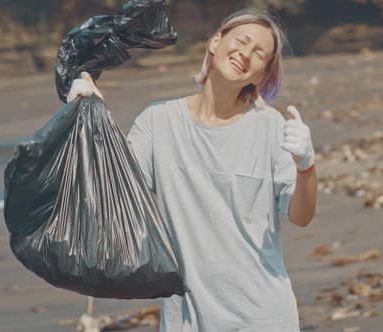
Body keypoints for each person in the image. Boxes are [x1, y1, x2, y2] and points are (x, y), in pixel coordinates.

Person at [67, 9, 317, 332]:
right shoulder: (157, 123)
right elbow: (114, 192)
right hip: (185, 320)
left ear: (260, 75)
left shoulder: (271, 128)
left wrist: (306, 166)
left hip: (262, 317)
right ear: (216, 41)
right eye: (242, 41)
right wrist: (90, 115)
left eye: (259, 54)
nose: (246, 54)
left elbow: (301, 215)